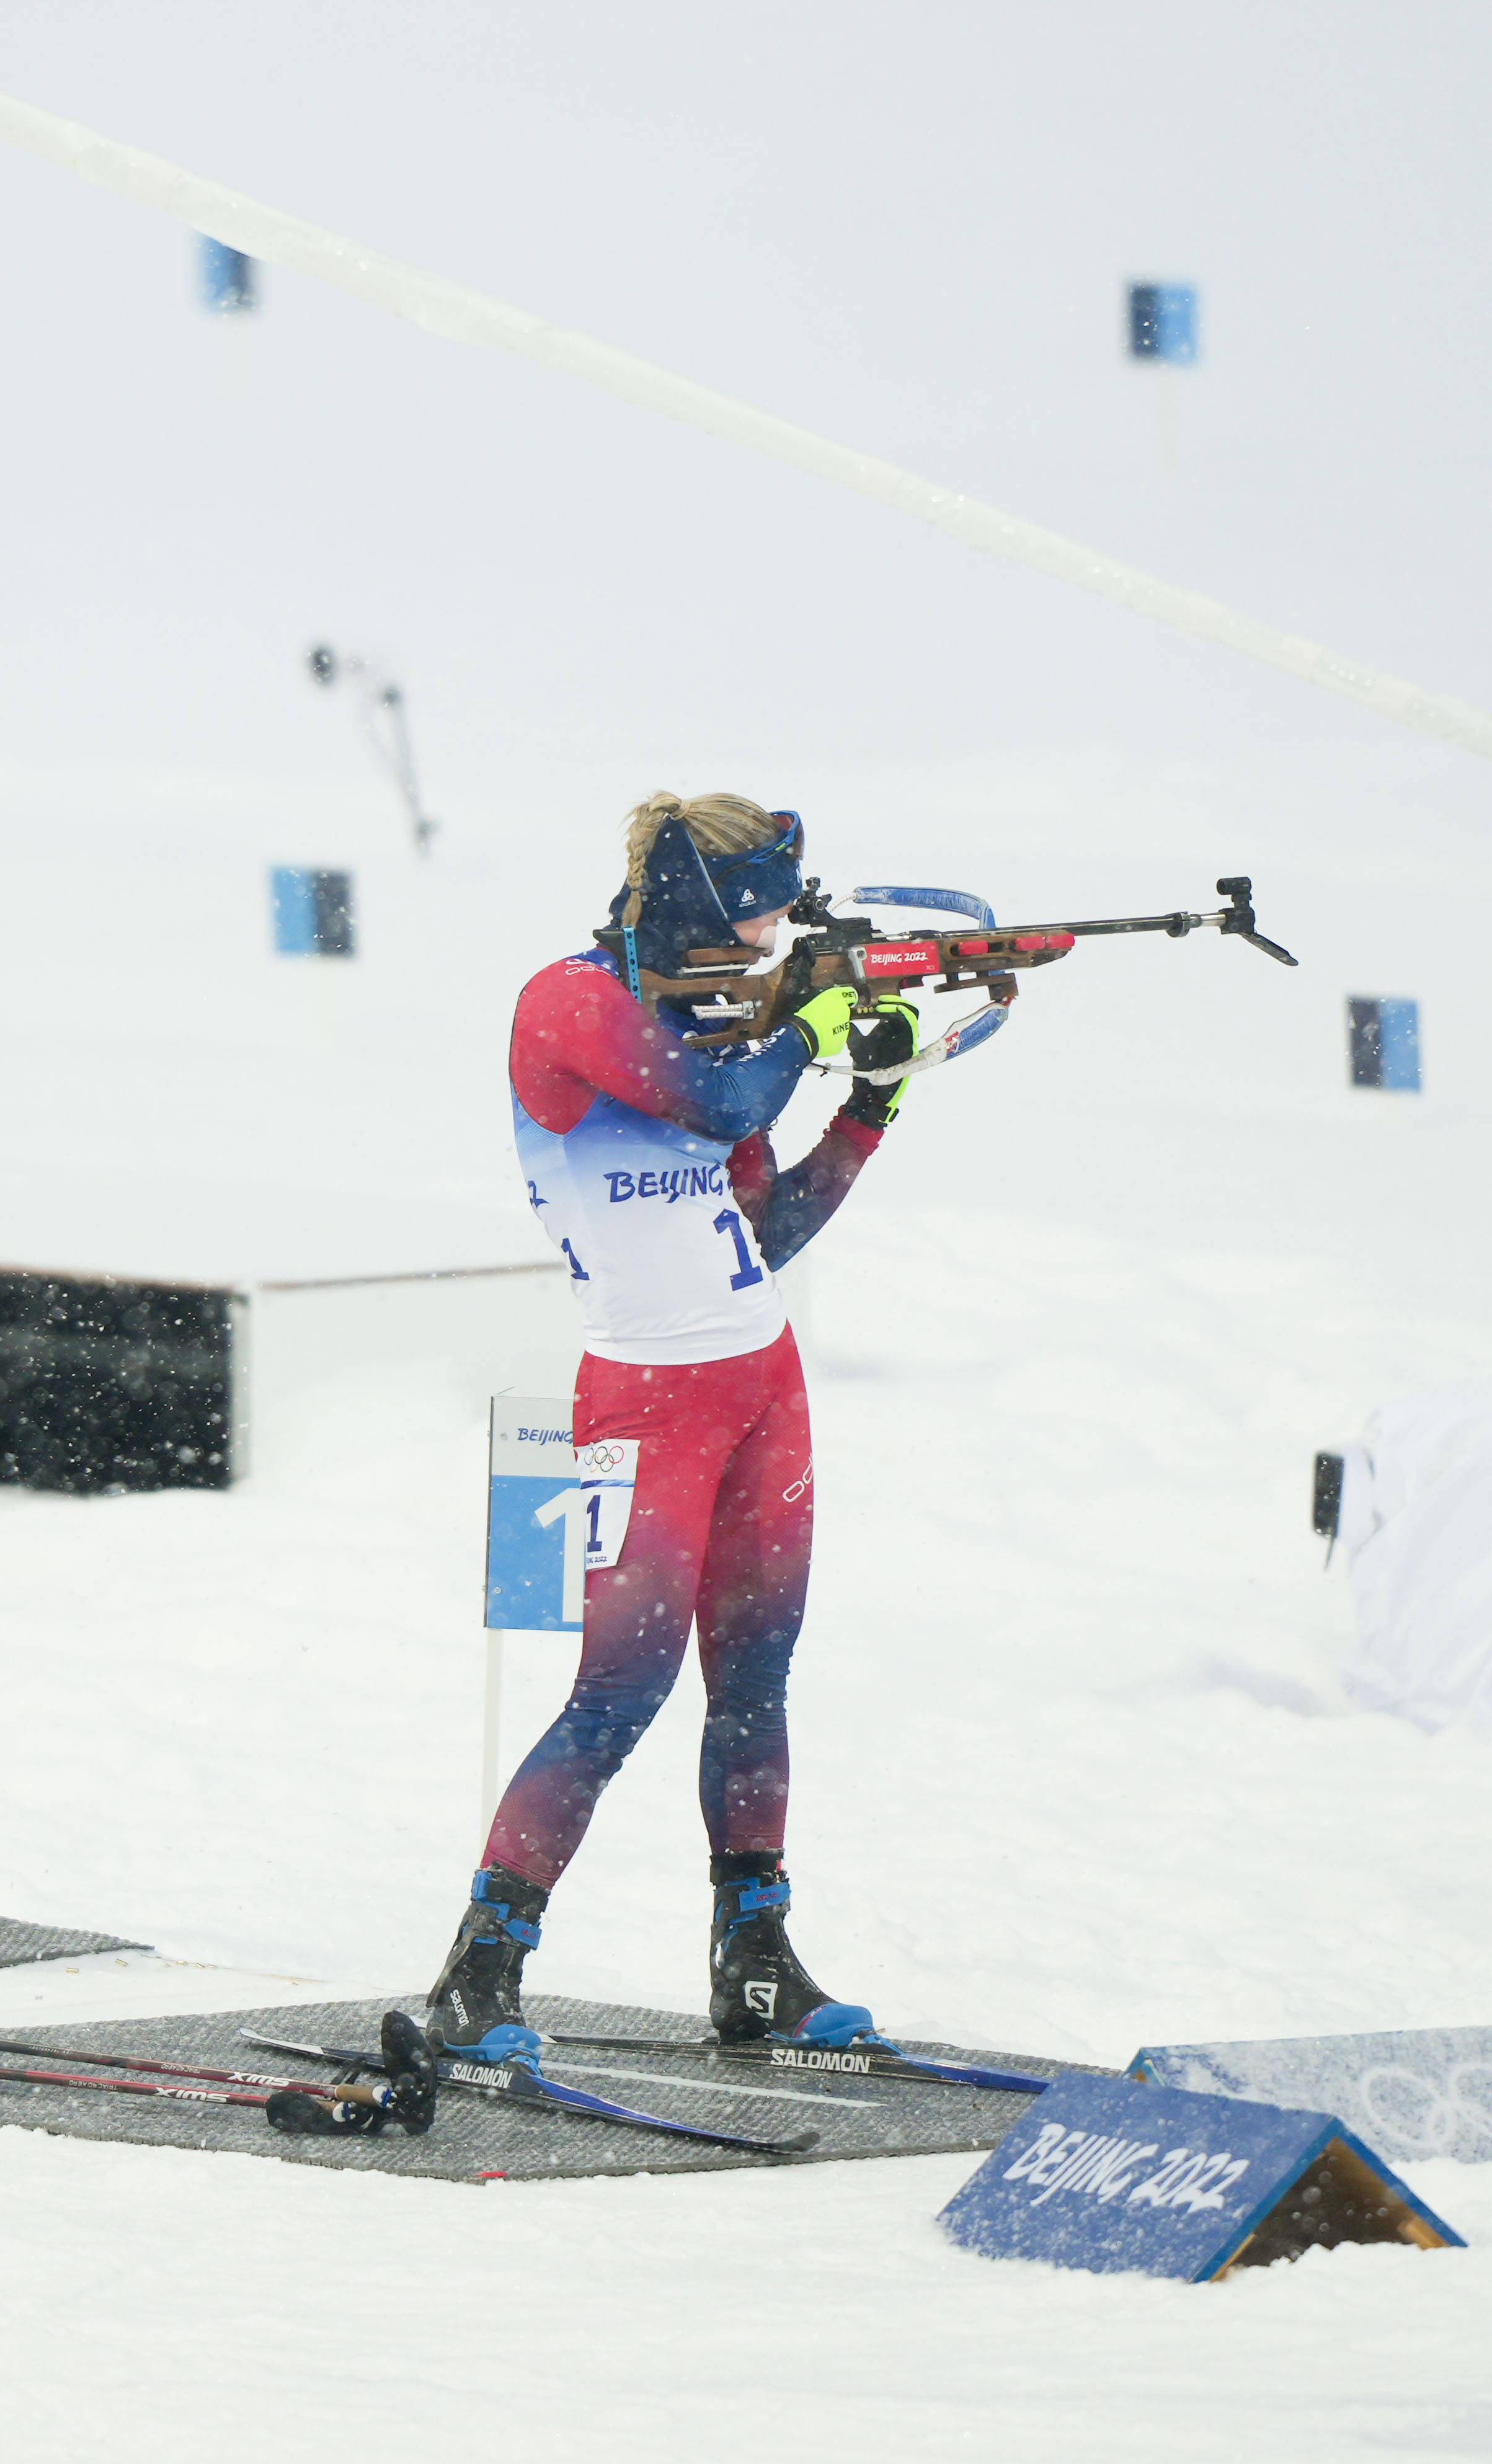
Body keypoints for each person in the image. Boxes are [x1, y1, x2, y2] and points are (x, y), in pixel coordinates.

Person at [422, 791, 935, 2063]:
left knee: (754, 1682)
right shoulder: (573, 1002)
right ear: (703, 899)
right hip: (643, 1400)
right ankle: (477, 1973)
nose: (769, 932)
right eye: (756, 905)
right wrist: (813, 1024)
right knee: (617, 1692)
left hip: (760, 1380)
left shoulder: (718, 1026)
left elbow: (764, 1234)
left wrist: (868, 1107)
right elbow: (715, 1106)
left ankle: (754, 1963)